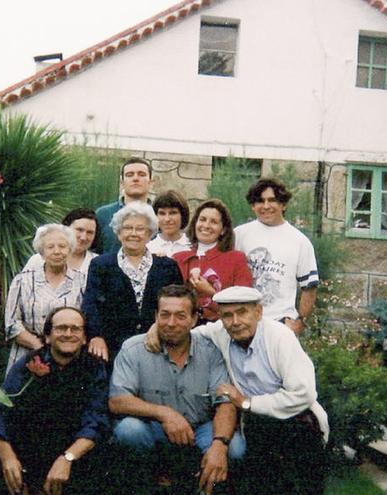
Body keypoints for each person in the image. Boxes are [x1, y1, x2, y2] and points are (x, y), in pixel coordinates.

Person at [145, 286, 328, 495]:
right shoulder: (220, 332)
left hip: (295, 420)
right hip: (255, 423)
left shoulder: (280, 337)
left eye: (242, 312)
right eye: (227, 315)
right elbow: (186, 330)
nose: (235, 322)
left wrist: (247, 402)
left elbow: (303, 393)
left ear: (258, 312)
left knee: (302, 485)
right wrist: (155, 329)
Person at [109, 285, 244, 494]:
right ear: (156, 316)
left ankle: (203, 486)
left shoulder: (211, 351)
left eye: (180, 316)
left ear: (193, 319)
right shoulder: (133, 349)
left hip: (201, 427)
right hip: (155, 429)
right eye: (165, 315)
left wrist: (219, 444)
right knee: (129, 430)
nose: (171, 323)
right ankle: (147, 484)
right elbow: (118, 400)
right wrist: (165, 414)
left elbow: (225, 402)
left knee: (234, 449)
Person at [0, 307, 109, 495]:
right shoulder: (29, 363)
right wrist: (7, 457)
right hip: (31, 445)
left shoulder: (95, 368)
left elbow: (96, 422)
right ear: (47, 336)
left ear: (84, 338)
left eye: (75, 329)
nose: (68, 334)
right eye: (61, 328)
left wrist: (68, 458)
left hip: (71, 448)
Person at [82, 202, 182, 362]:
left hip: (158, 344)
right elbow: (90, 304)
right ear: (118, 232)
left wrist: (158, 329)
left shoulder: (167, 266)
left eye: (140, 229)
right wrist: (96, 336)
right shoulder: (101, 265)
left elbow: (178, 305)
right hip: (113, 348)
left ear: (150, 233)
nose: (133, 233)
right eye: (128, 228)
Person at [235, 177, 319, 335]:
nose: (266, 206)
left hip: (280, 325)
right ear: (253, 206)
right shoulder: (239, 234)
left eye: (272, 200)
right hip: (243, 323)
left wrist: (300, 322)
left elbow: (310, 287)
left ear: (283, 204)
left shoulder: (300, 241)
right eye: (260, 201)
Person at [4, 224, 85, 372]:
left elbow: (87, 320)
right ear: (41, 252)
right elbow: (11, 324)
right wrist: (41, 348)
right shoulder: (22, 281)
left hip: (69, 357)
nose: (57, 251)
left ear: (70, 250)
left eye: (62, 246)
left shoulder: (82, 282)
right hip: (28, 355)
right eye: (50, 247)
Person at [172, 199, 253, 323]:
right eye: (202, 219)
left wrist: (211, 292)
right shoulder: (178, 258)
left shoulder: (236, 259)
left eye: (213, 222)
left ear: (223, 230)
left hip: (221, 329)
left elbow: (244, 305)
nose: (206, 226)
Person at [95, 157, 153, 254]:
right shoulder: (103, 214)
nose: (135, 178)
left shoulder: (160, 216)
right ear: (122, 183)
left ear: (151, 182)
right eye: (129, 175)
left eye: (141, 174)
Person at [23, 208, 101, 276]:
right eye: (79, 230)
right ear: (66, 228)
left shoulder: (99, 263)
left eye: (90, 232)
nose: (83, 237)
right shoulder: (38, 260)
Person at [146, 189, 191, 257]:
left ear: (183, 215)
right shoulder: (148, 249)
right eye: (162, 213)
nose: (167, 219)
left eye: (173, 213)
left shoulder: (193, 247)